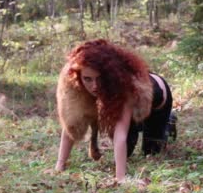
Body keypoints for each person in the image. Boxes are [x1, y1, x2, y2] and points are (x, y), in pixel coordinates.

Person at [55, 39, 175, 181]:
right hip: (128, 105)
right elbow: (72, 122)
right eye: (88, 79)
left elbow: (120, 134)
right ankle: (136, 124)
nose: (94, 86)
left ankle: (169, 121)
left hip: (157, 100)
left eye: (99, 79)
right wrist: (59, 165)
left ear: (109, 75)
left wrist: (120, 178)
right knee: (127, 151)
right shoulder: (77, 84)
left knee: (151, 152)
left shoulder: (125, 86)